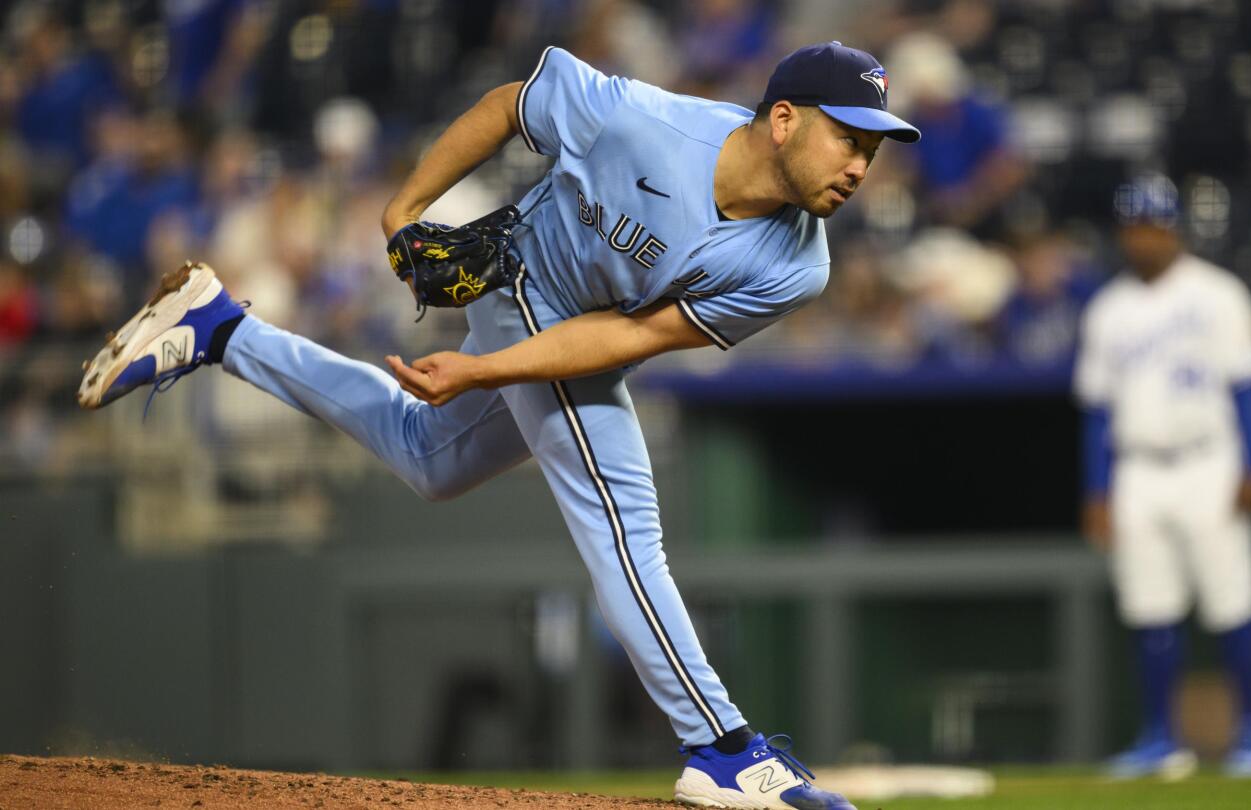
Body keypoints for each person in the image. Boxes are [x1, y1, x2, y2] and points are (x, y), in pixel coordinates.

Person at [77, 41, 919, 809]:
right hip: (519, 280)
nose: (860, 165)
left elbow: (635, 337)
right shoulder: (644, 119)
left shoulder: (797, 265)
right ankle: (722, 747)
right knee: (624, 523)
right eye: (850, 138)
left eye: (872, 150)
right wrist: (403, 208)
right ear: (782, 120)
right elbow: (510, 106)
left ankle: (222, 329)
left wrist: (483, 372)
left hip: (577, 334)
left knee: (429, 458)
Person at [1074, 174, 1251, 779]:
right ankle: (1161, 737)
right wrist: (1097, 490)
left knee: (1233, 600)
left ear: (1174, 229)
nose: (1142, 238)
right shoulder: (1109, 308)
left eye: (1152, 225)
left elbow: (1247, 387)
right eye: (1133, 227)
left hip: (1208, 460)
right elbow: (1098, 413)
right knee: (1149, 606)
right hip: (1138, 468)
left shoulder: (1219, 294)